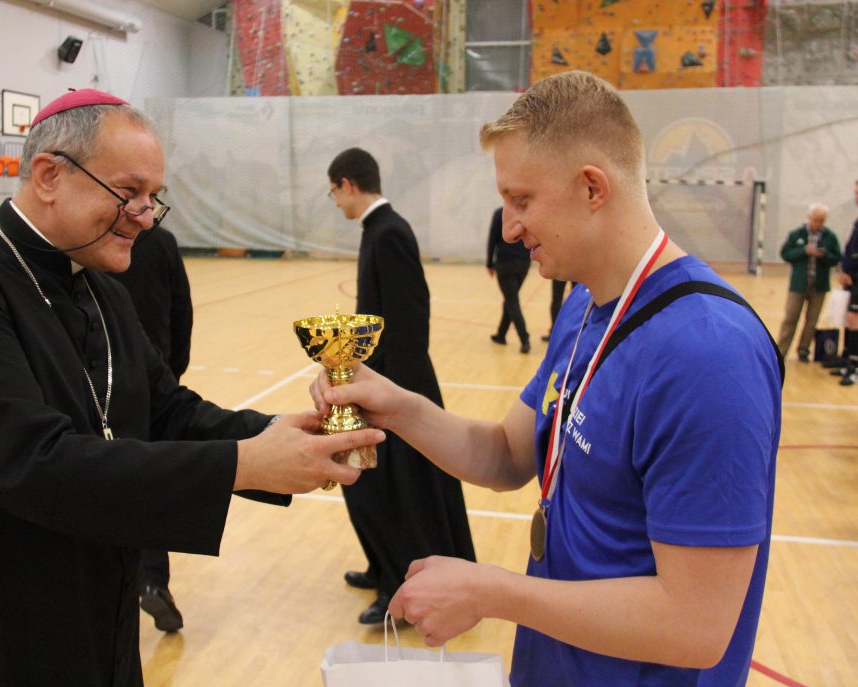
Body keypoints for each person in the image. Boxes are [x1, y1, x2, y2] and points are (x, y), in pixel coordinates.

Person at [0, 89, 383, 686]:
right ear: (49, 175)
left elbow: (163, 409)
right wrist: (244, 463)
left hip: (90, 601)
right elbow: (31, 461)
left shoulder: (100, 287)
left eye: (153, 197)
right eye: (128, 192)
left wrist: (286, 432)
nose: (145, 215)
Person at [313, 72, 781, 686]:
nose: (509, 228)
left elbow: (694, 626)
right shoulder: (585, 306)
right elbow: (509, 455)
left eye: (521, 200)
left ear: (592, 188)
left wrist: (492, 591)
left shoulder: (708, 354)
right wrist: (397, 406)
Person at [327, 147, 475, 625]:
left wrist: (396, 402)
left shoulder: (388, 232)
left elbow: (408, 321)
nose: (336, 202)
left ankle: (401, 585)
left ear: (348, 184)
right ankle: (382, 565)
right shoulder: (379, 229)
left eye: (334, 192)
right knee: (366, 484)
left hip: (397, 385)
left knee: (395, 492)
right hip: (382, 380)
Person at [111, 226, 193, 632]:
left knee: (107, 478)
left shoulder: (90, 241)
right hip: (152, 380)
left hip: (99, 379)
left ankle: (118, 582)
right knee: (152, 479)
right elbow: (182, 313)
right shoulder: (161, 242)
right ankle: (152, 580)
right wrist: (170, 375)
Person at [775, 204, 841, 362]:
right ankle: (781, 351)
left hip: (819, 286)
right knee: (790, 318)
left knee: (812, 321)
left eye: (822, 220)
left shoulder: (830, 236)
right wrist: (804, 251)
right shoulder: (797, 234)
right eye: (816, 219)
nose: (818, 223)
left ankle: (804, 350)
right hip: (798, 285)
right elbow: (785, 254)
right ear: (809, 218)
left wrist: (824, 255)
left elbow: (836, 258)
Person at [486, 206, 532, 353]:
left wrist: (489, 263)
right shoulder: (526, 212)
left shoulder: (499, 213)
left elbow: (492, 238)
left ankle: (524, 339)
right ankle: (501, 335)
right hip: (524, 263)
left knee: (512, 301)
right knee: (510, 298)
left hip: (505, 264)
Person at [837, 181, 858, 386]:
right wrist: (843, 269)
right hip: (851, 279)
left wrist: (852, 272)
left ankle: (854, 367)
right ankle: (847, 361)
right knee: (849, 319)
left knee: (855, 320)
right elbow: (850, 250)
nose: (856, 197)